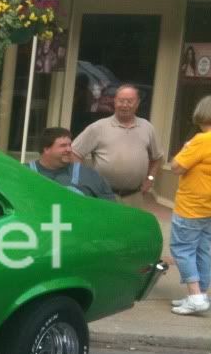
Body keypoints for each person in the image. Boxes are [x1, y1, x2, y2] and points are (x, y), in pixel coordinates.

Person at [71, 84, 164, 208]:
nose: (125, 105)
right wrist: (86, 180)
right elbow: (74, 152)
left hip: (134, 196)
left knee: (131, 227)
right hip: (103, 195)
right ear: (115, 102)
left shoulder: (147, 127)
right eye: (121, 101)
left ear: (137, 103)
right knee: (104, 227)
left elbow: (157, 157)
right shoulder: (98, 127)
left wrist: (150, 179)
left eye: (130, 101)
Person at [168, 95, 211, 315]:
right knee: (204, 251)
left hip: (192, 206)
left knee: (183, 249)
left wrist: (186, 148)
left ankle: (194, 295)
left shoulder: (201, 140)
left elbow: (176, 167)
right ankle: (200, 295)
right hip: (209, 208)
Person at [28, 127, 115, 200]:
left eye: (70, 145)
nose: (69, 150)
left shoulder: (89, 175)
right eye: (63, 146)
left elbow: (110, 208)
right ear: (46, 149)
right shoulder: (24, 172)